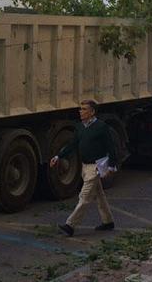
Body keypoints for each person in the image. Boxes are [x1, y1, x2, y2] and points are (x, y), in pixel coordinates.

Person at [49, 99, 116, 236]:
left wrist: (111, 166)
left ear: (92, 112)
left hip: (96, 166)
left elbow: (111, 147)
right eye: (80, 109)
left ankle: (70, 225)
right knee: (99, 195)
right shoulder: (80, 127)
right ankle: (108, 221)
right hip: (85, 166)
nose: (80, 111)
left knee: (84, 196)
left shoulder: (101, 127)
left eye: (84, 109)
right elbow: (72, 144)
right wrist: (58, 156)